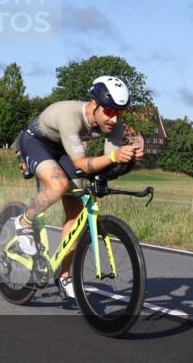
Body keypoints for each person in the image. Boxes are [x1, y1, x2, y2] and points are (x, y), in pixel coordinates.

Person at [10, 76, 144, 299]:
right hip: (36, 143)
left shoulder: (114, 125)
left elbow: (107, 163)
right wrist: (114, 155)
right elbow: (84, 164)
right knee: (59, 184)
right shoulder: (71, 117)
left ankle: (63, 276)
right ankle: (23, 222)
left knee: (77, 211)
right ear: (94, 105)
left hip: (64, 150)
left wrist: (131, 158)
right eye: (109, 111)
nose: (113, 118)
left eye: (119, 113)